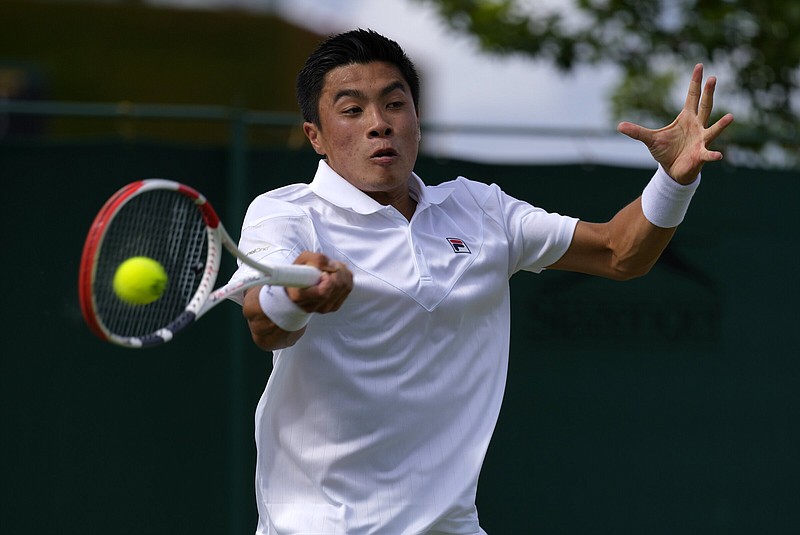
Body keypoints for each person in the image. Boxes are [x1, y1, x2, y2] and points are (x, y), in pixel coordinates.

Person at [229, 29, 733, 535]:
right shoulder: (285, 214)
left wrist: (674, 180)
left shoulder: (480, 209)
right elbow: (264, 321)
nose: (379, 125)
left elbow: (620, 253)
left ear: (417, 121)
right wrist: (299, 296)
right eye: (352, 110)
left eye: (394, 104)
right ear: (315, 135)